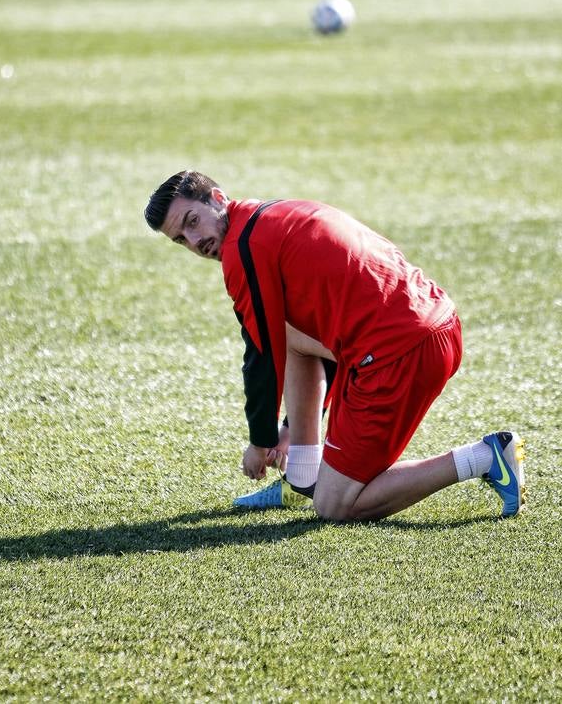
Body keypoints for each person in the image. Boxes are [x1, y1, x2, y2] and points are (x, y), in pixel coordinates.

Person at [144, 170, 526, 521]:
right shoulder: (273, 213)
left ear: (217, 197)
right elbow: (303, 337)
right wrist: (292, 426)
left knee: (335, 505)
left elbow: (260, 355)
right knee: (290, 335)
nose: (195, 242)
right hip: (434, 322)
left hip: (401, 352)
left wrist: (260, 443)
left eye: (193, 221)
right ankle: (301, 477)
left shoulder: (242, 251)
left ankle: (486, 457)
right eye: (181, 239)